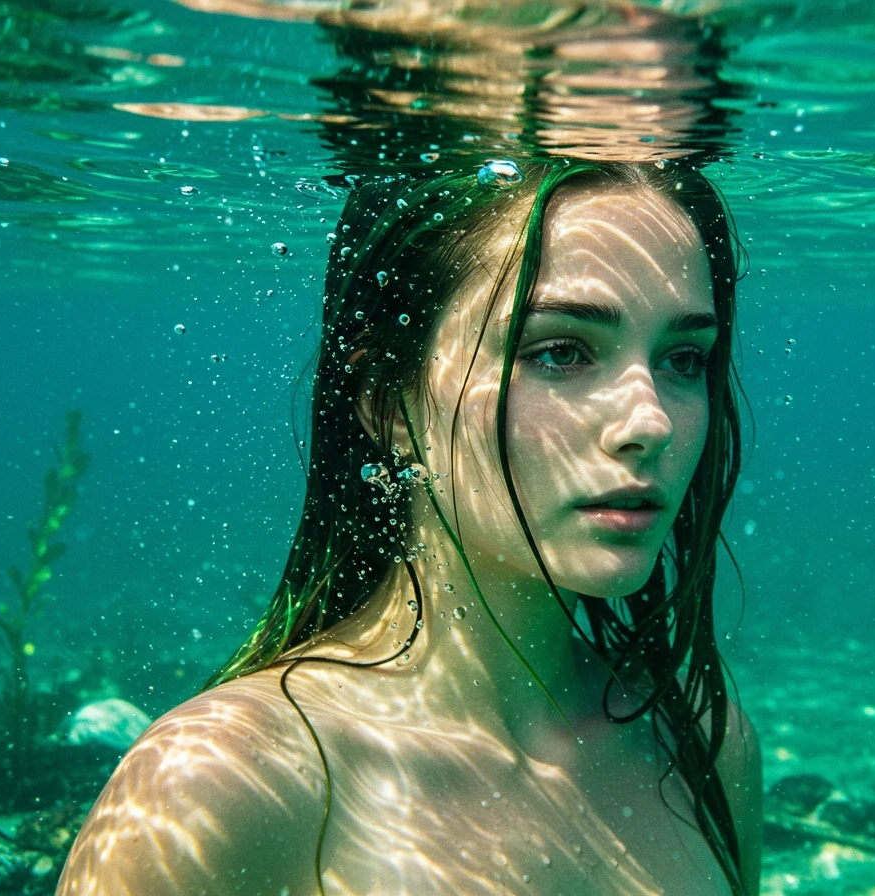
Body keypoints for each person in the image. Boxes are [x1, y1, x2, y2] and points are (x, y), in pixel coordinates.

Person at [56, 158, 762, 896]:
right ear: (386, 401)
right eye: (560, 351)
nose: (650, 420)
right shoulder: (227, 784)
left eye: (685, 359)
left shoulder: (707, 750)